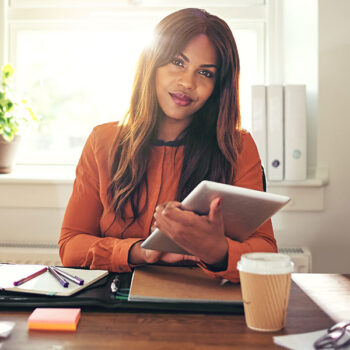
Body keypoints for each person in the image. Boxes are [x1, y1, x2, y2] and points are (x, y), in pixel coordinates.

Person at [59, 8, 277, 283]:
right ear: (152, 64)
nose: (187, 82)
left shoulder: (237, 146)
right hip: (117, 302)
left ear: (219, 85)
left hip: (205, 303)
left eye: (206, 73)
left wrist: (217, 251)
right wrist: (141, 251)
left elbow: (267, 251)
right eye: (177, 62)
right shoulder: (102, 141)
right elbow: (70, 245)